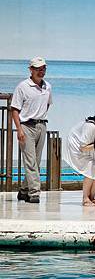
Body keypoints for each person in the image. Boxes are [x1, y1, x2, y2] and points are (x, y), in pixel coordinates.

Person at [11, 57, 52, 203]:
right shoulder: (23, 86)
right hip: (26, 126)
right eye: (38, 69)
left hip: (41, 126)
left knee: (36, 161)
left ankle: (23, 190)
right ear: (31, 70)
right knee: (30, 161)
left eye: (43, 69)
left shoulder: (48, 86)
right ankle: (34, 192)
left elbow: (48, 104)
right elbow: (14, 109)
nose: (41, 72)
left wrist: (40, 116)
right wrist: (19, 129)